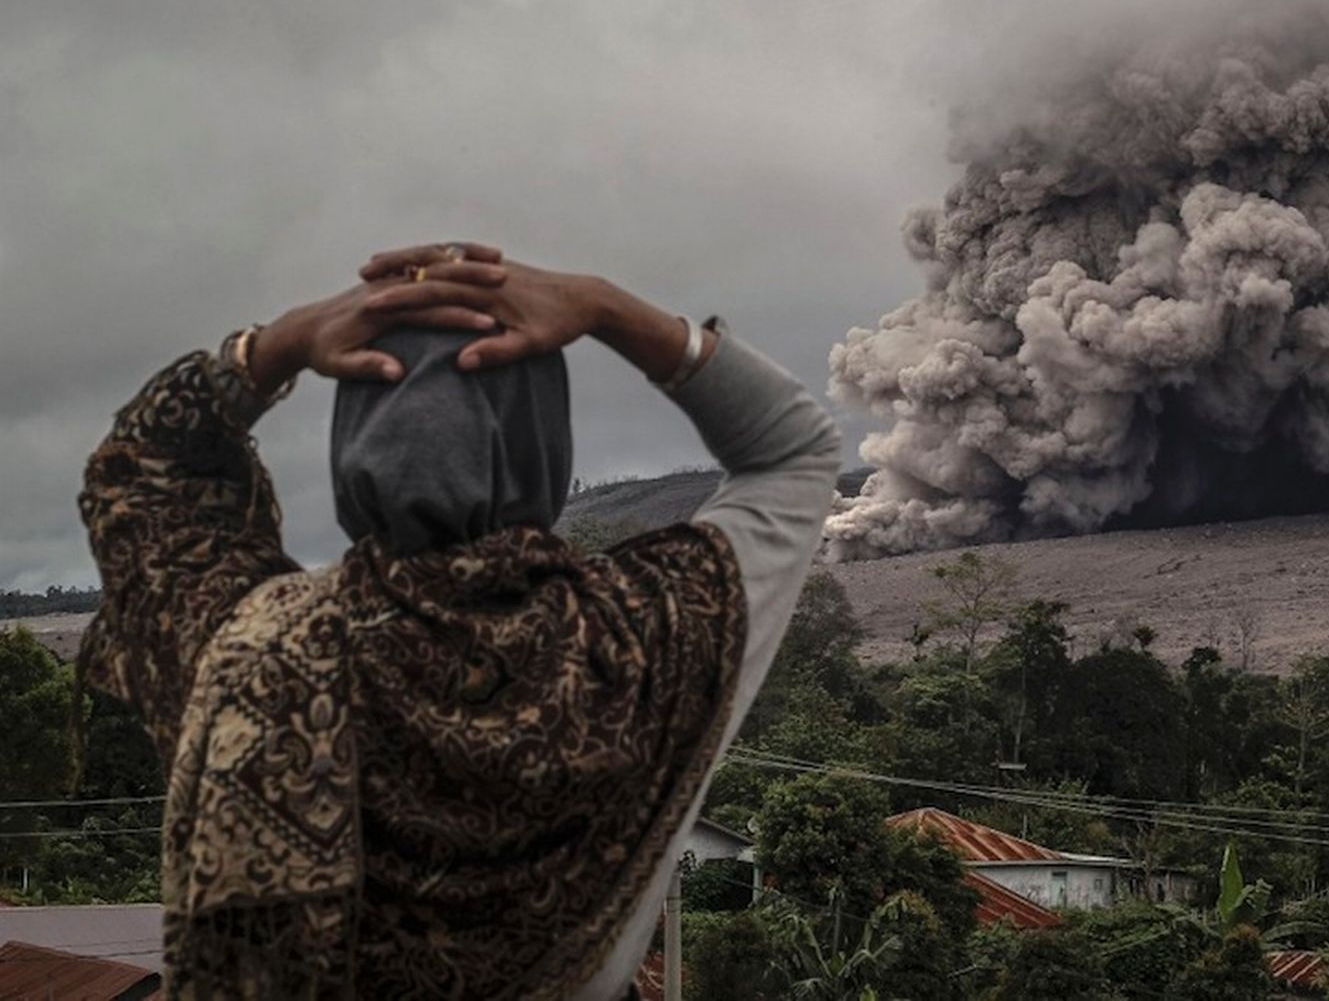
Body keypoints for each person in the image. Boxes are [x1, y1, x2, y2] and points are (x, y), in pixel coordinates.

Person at [76, 241, 842, 998]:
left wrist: (279, 343)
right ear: (545, 445)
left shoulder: (244, 641)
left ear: (350, 444)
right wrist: (607, 305)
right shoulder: (650, 635)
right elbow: (795, 451)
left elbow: (142, 471)